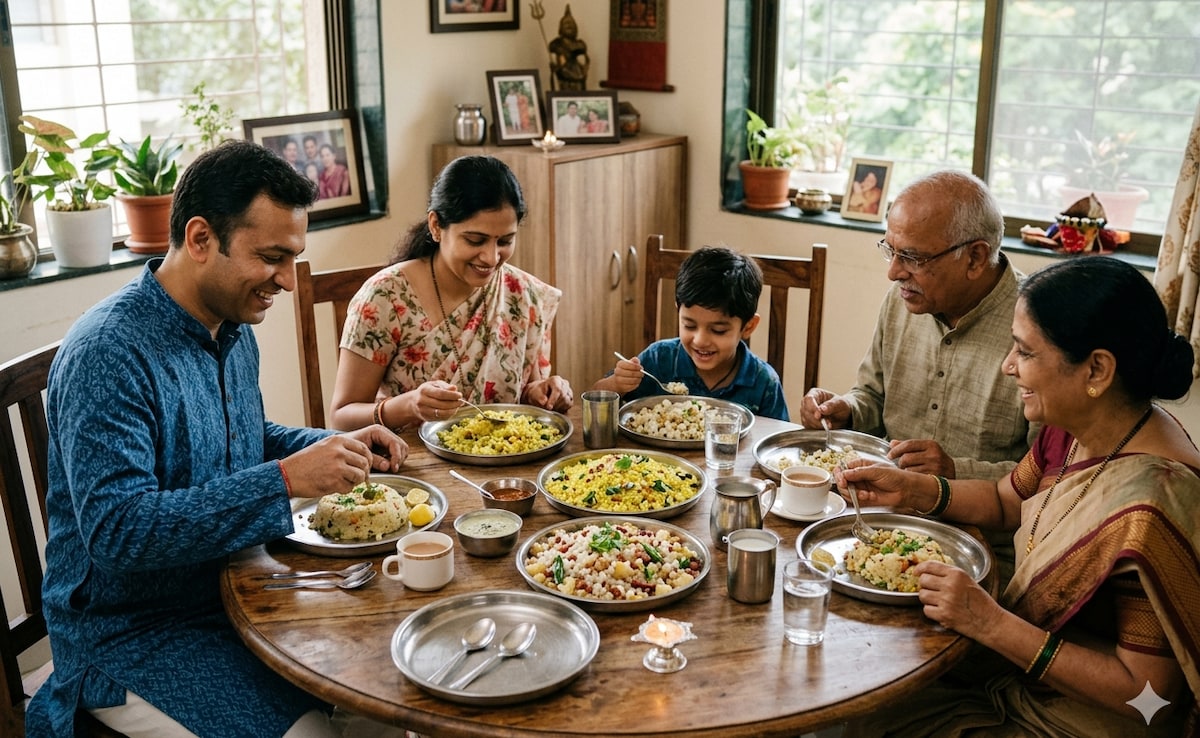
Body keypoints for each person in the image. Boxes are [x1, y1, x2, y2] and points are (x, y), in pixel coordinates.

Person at [25, 140, 409, 737]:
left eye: (294, 257)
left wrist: (340, 446)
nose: (286, 279)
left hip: (235, 591)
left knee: (392, 689)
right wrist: (286, 480)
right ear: (201, 238)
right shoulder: (109, 352)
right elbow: (118, 532)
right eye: (272, 257)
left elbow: (244, 438)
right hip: (130, 635)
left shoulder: (230, 325)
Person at [838, 256, 1200, 736]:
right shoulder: (1073, 429)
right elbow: (1007, 501)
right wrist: (913, 490)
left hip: (1083, 719)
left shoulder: (1154, 503)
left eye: (1025, 352)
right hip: (1018, 668)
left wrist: (991, 625)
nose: (1008, 366)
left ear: (1096, 370)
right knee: (866, 694)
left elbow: (1147, 699)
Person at [800, 170, 1034, 481]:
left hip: (978, 525)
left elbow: (1052, 475)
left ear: (975, 257)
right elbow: (872, 395)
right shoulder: (903, 299)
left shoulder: (1038, 328)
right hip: (885, 505)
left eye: (912, 257)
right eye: (891, 251)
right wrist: (848, 410)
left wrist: (955, 471)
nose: (894, 272)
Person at [330, 155, 573, 431]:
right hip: (409, 464)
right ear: (436, 226)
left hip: (506, 462)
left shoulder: (522, 294)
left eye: (505, 241)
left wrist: (543, 392)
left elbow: (524, 396)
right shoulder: (385, 298)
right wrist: (409, 405)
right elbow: (341, 418)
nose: (492, 257)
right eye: (475, 240)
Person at [593, 246, 789, 420]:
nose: (700, 340)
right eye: (689, 325)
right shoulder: (658, 360)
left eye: (718, 330)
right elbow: (594, 400)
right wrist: (617, 384)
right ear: (678, 311)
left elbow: (777, 445)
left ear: (748, 327)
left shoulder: (763, 382)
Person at [548, 4, 589, 91]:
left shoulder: (580, 44)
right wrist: (556, 67)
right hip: (563, 76)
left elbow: (585, 59)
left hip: (577, 74)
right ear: (560, 27)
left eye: (571, 24)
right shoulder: (557, 43)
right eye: (566, 23)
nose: (568, 26)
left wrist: (583, 71)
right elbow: (553, 49)